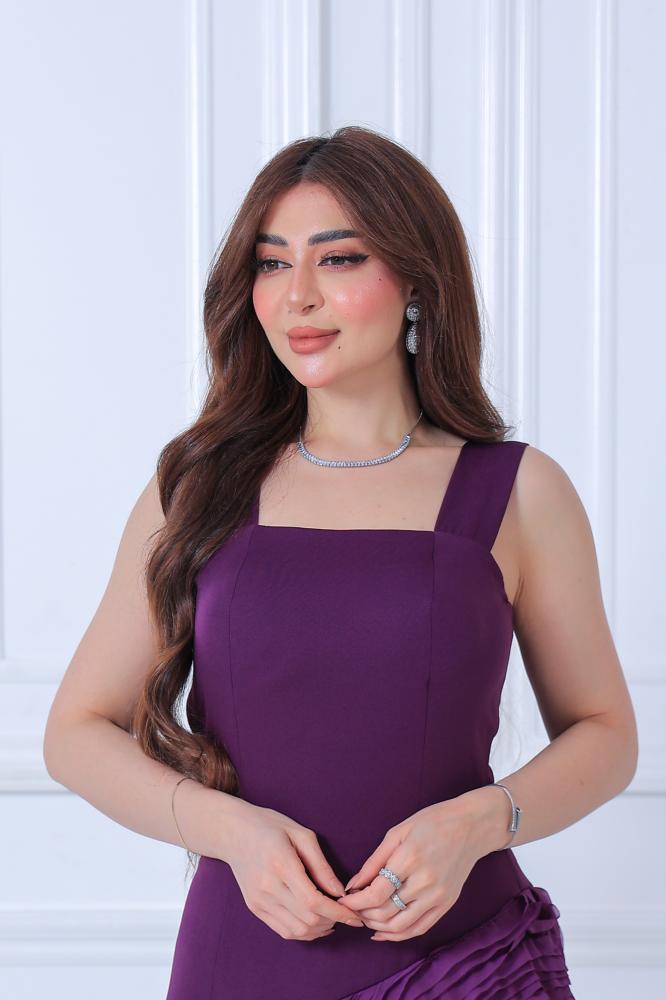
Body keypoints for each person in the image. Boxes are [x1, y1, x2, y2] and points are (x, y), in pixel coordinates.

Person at [43, 125, 638, 999]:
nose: (299, 296)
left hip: (463, 961)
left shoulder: (517, 491)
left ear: (416, 281)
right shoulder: (200, 486)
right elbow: (75, 732)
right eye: (272, 264)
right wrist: (230, 833)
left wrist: (481, 821)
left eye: (339, 260)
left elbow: (606, 733)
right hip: (242, 958)